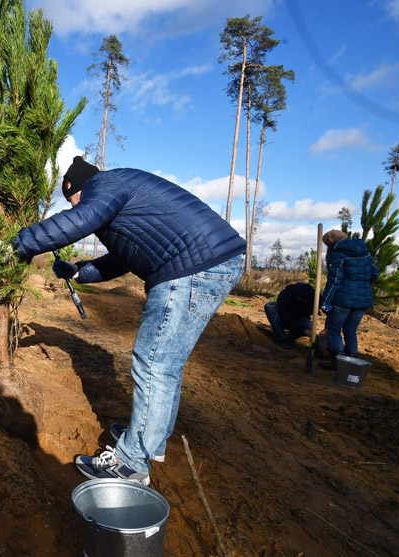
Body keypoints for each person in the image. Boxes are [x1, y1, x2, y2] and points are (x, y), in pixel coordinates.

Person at [13, 156, 246, 485]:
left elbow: (81, 218)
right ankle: (151, 436)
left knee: (154, 364)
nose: (74, 204)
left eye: (72, 197)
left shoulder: (105, 185)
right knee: (166, 363)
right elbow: (122, 260)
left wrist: (18, 244)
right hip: (207, 261)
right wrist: (79, 271)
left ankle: (132, 462)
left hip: (193, 267)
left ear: (80, 186)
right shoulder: (119, 194)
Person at [319, 230, 378, 366]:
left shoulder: (337, 254)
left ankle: (337, 364)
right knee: (350, 331)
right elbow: (374, 273)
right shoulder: (364, 250)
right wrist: (361, 286)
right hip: (363, 300)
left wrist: (326, 302)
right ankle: (351, 363)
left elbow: (334, 280)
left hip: (343, 300)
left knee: (334, 330)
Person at [264, 283, 315, 348]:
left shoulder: (315, 297)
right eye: (302, 299)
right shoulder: (285, 295)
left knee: (309, 327)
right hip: (283, 318)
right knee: (269, 306)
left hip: (300, 319)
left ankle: (290, 338)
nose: (305, 301)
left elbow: (325, 308)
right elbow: (286, 319)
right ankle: (282, 338)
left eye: (306, 300)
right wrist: (304, 330)